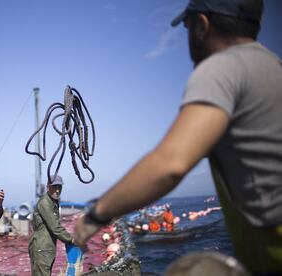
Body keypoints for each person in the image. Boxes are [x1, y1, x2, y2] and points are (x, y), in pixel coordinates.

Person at [74, 0, 282, 274]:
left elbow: (170, 164)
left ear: (201, 25)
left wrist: (95, 215)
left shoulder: (223, 67)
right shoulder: (272, 65)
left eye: (186, 25)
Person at [28, 175, 75, 276]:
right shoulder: (45, 203)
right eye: (54, 187)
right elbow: (55, 227)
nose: (57, 190)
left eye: (59, 187)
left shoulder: (53, 202)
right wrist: (71, 239)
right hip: (42, 248)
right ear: (48, 187)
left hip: (46, 248)